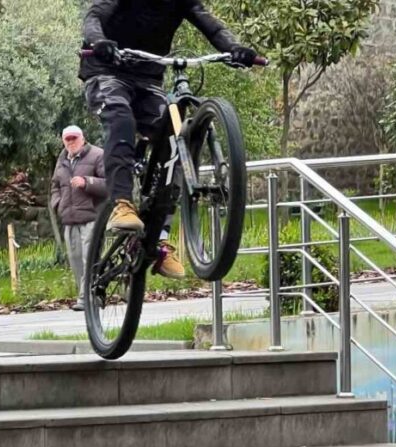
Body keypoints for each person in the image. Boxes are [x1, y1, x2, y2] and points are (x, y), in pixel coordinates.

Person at [80, 0, 257, 279]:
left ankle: (160, 237)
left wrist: (233, 47)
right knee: (120, 118)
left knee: (176, 135)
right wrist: (99, 41)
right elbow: (94, 15)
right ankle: (122, 204)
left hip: (149, 80)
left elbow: (209, 24)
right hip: (106, 71)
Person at [50, 125, 107, 311]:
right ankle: (93, 295)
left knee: (89, 258)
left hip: (92, 217)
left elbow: (110, 184)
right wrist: (57, 204)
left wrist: (87, 182)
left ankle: (85, 299)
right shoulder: (62, 160)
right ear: (63, 141)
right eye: (67, 139)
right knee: (75, 259)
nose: (71, 142)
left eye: (74, 138)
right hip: (69, 219)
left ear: (83, 138)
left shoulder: (98, 155)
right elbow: (55, 186)